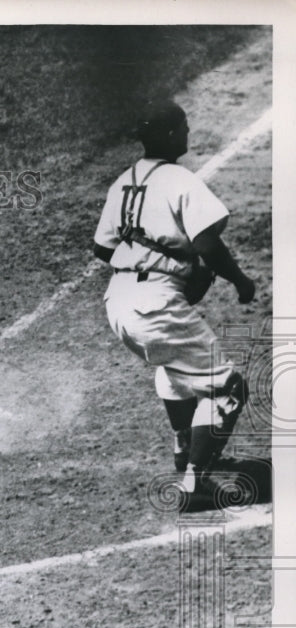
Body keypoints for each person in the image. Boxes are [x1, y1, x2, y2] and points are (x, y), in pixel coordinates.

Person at [93, 101, 257, 494]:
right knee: (228, 386)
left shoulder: (123, 181)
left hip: (118, 301)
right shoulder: (179, 180)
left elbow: (102, 248)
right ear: (169, 135)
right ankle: (194, 484)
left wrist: (155, 255)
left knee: (175, 371)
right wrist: (238, 280)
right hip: (156, 304)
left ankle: (187, 451)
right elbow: (207, 243)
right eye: (183, 126)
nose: (187, 132)